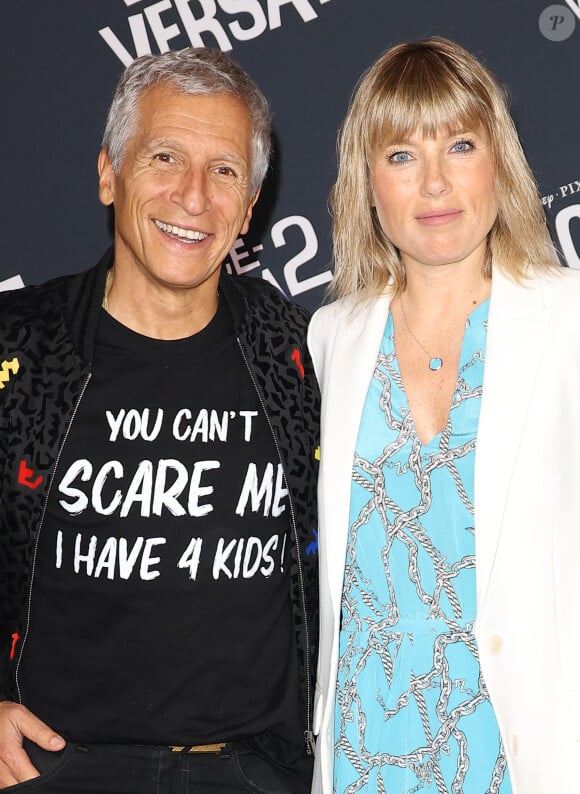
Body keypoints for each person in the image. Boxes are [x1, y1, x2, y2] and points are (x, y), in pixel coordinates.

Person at [0, 47, 319, 793]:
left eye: (225, 171)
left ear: (250, 207)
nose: (193, 196)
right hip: (51, 767)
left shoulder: (302, 355)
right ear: (110, 172)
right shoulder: (17, 348)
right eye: (165, 156)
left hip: (254, 771)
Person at [308, 36, 580, 793]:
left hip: (524, 751)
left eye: (460, 145)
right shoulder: (333, 336)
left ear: (500, 163)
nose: (434, 183)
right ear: (367, 183)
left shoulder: (569, 321)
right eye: (401, 155)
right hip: (367, 754)